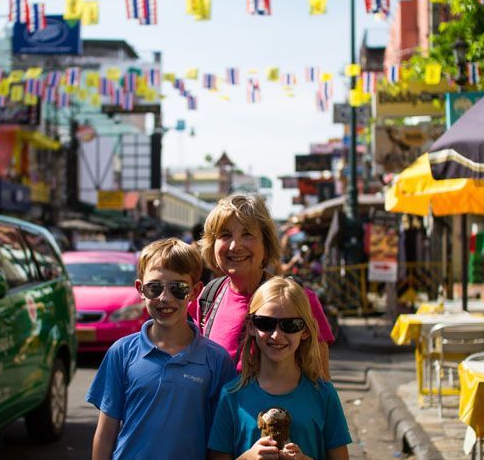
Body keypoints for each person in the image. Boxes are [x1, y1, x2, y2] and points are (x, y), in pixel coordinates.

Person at [86, 238, 237, 460]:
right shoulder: (121, 352)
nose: (165, 298)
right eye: (155, 288)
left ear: (195, 291)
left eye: (178, 288)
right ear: (141, 289)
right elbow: (106, 433)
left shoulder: (216, 360)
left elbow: (221, 443)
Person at [190, 193, 334, 377]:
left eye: (247, 234)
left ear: (266, 244)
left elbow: (321, 384)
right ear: (212, 245)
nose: (235, 245)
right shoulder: (207, 297)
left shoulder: (299, 301)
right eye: (225, 235)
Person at [208, 277, 352, 460]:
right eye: (265, 323)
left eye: (290, 325)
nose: (276, 335)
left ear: (306, 331)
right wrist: (247, 458)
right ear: (251, 326)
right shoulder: (231, 395)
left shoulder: (323, 394)